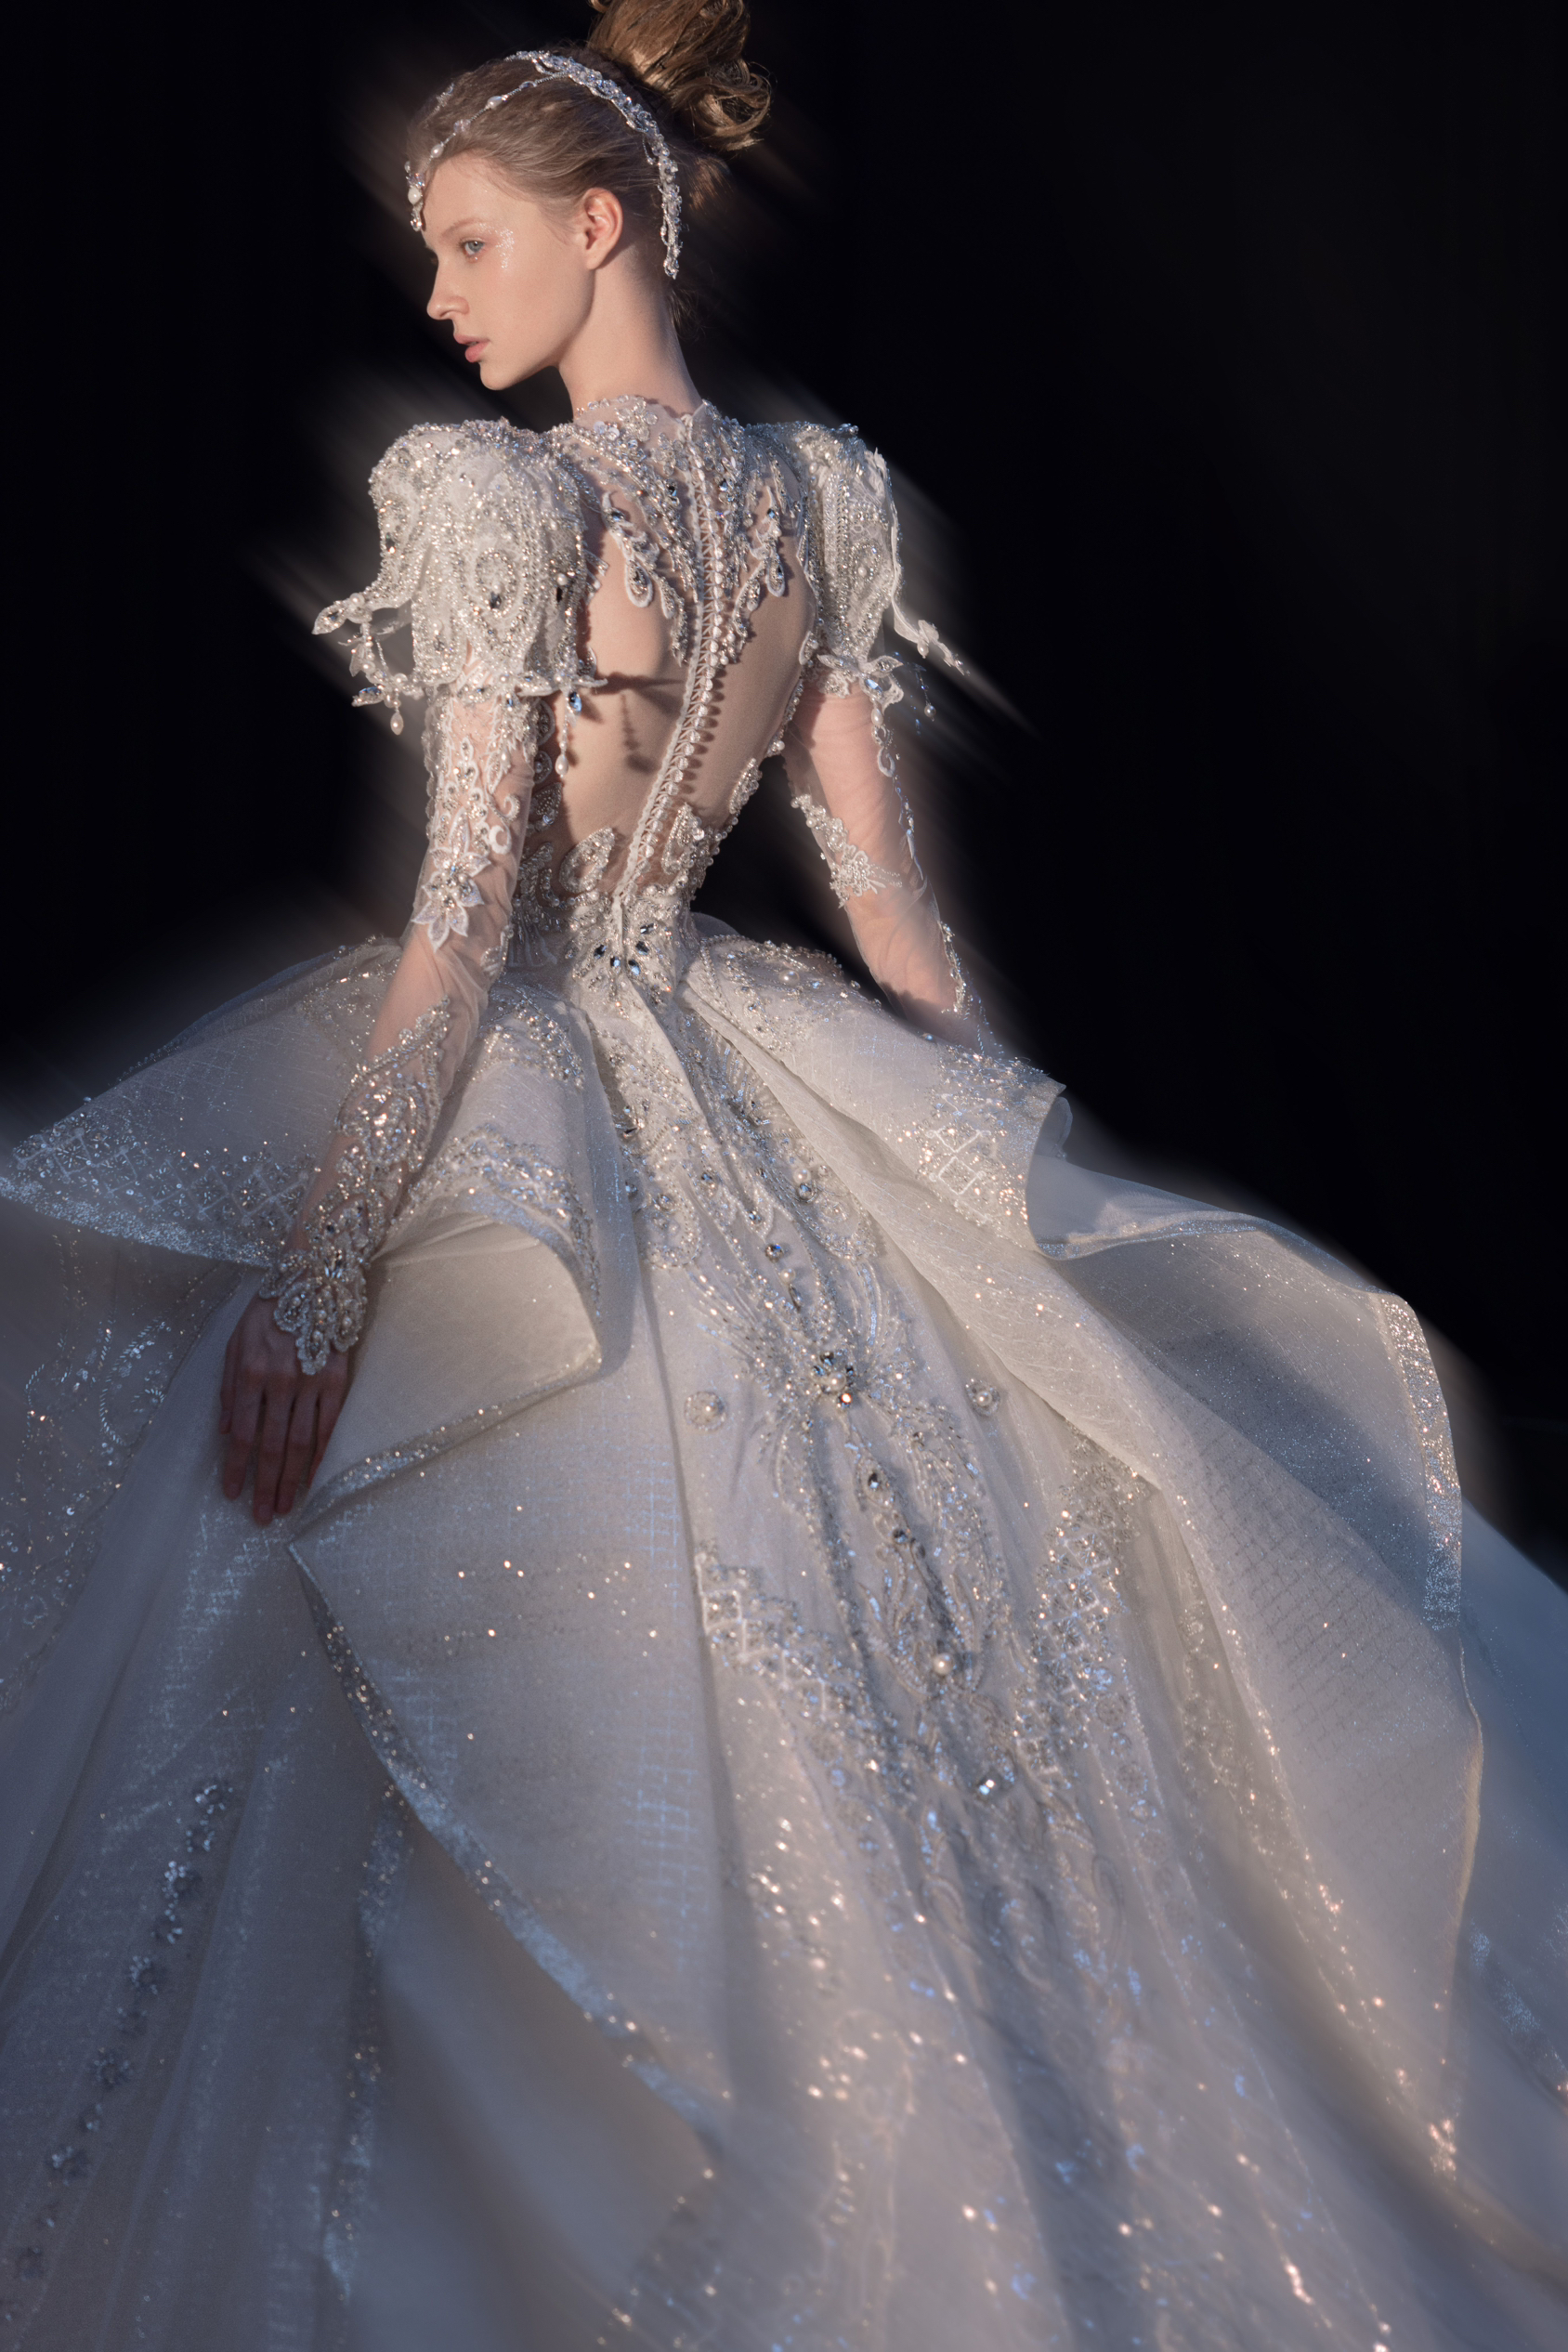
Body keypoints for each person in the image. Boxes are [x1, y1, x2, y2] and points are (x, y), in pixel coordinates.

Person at [1, 5, 1563, 2345]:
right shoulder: (815, 496)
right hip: (745, 1065)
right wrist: (992, 1177)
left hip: (540, 1065)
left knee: (366, 1549)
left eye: (469, 243)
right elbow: (892, 915)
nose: (434, 296)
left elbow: (462, 926)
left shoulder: (497, 496)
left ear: (598, 222)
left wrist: (324, 1271)